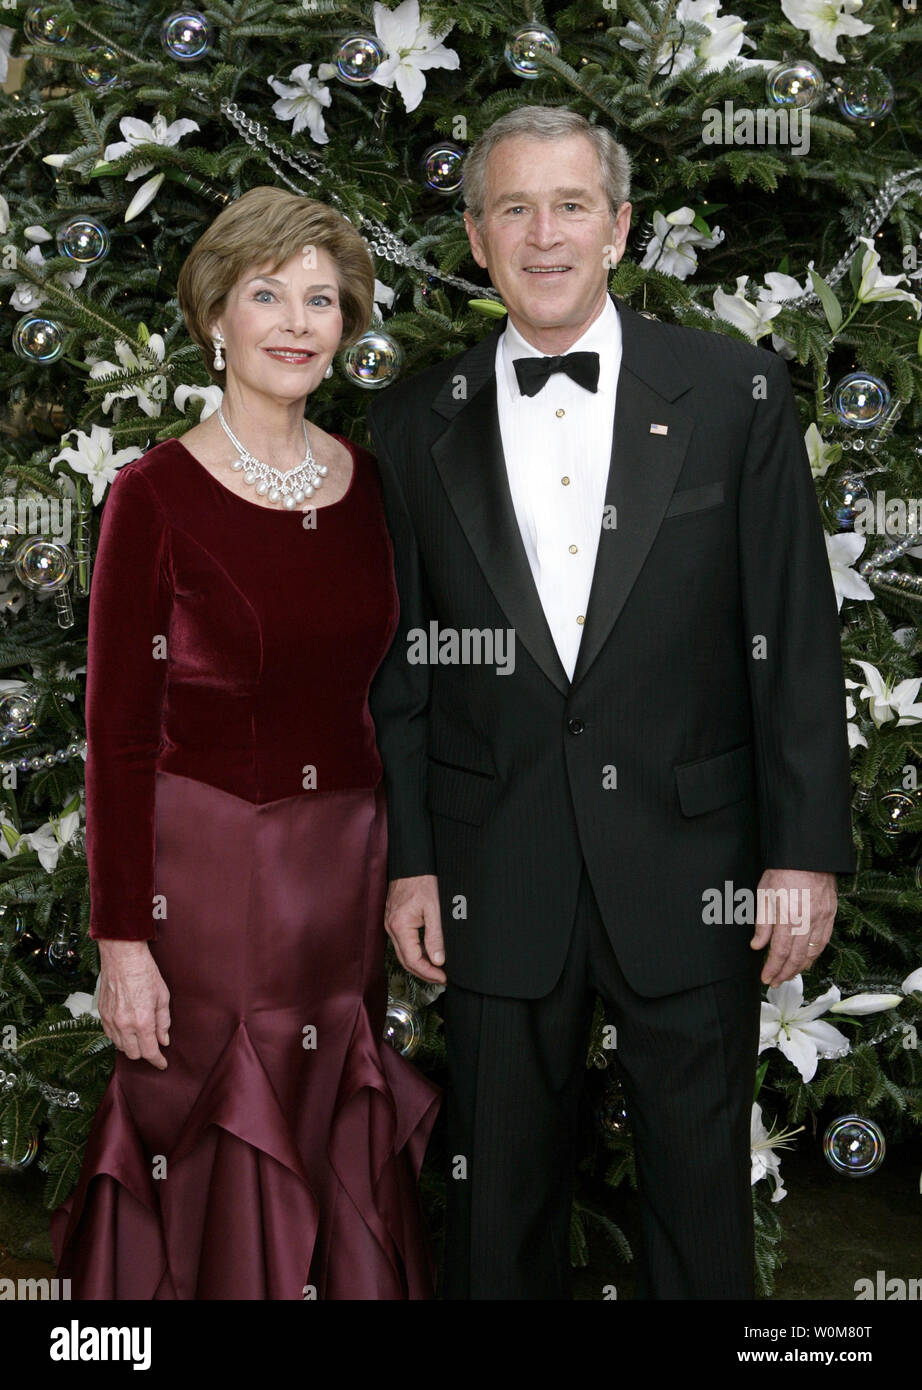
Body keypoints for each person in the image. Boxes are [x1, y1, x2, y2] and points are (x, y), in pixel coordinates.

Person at [365, 106, 856, 1300]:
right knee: (497, 1215)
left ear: (620, 226)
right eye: (515, 210)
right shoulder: (405, 423)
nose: (545, 236)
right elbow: (403, 672)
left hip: (697, 861)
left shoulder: (732, 391)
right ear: (476, 239)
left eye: (571, 206)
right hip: (493, 866)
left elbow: (792, 636)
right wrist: (413, 862)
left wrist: (800, 854)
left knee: (698, 1209)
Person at [49, 185, 439, 1300]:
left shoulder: (369, 488)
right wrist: (123, 943)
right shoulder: (153, 493)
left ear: (347, 329)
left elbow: (392, 696)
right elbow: (115, 735)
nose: (297, 321)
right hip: (208, 882)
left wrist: (406, 862)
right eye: (269, 293)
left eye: (323, 299)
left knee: (326, 1104)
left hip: (341, 873)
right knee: (219, 1117)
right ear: (217, 314)